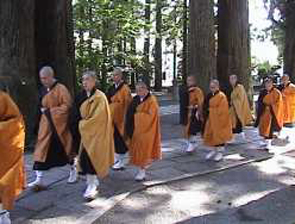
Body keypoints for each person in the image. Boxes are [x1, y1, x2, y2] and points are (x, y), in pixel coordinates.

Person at [28, 66, 73, 190]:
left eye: (44, 78)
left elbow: (67, 106)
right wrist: (36, 124)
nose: (42, 81)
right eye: (41, 78)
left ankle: (73, 170)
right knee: (41, 151)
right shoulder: (43, 90)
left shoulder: (61, 89)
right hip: (45, 127)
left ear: (50, 76)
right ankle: (38, 179)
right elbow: (39, 107)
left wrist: (50, 112)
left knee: (65, 151)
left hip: (59, 128)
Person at [74, 71, 114, 200]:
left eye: (87, 79)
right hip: (84, 133)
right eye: (83, 80)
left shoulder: (100, 97)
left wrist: (83, 124)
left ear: (94, 81)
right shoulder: (80, 96)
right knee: (84, 159)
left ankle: (92, 185)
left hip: (96, 133)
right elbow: (74, 113)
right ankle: (91, 181)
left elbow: (99, 118)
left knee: (91, 158)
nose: (84, 82)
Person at [124, 81, 161, 181]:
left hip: (147, 130)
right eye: (137, 90)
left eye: (140, 89)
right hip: (135, 130)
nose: (138, 91)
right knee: (137, 150)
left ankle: (142, 171)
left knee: (144, 150)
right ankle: (141, 168)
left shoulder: (151, 100)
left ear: (146, 89)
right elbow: (130, 112)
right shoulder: (135, 99)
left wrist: (137, 115)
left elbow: (151, 116)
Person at [0, 90, 25, 224]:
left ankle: (3, 213)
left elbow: (16, 122)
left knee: (4, 180)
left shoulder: (2, 98)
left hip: (3, 149)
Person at [107, 68, 132, 170]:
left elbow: (128, 104)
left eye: (116, 75)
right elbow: (107, 101)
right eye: (113, 75)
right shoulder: (111, 88)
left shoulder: (125, 89)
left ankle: (121, 161)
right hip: (112, 119)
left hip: (122, 118)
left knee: (121, 140)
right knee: (114, 139)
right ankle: (117, 159)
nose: (114, 77)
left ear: (121, 76)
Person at [202, 80, 233, 162]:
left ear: (218, 87)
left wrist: (212, 110)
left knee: (219, 135)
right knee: (211, 134)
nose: (212, 89)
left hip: (219, 119)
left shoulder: (221, 96)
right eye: (211, 87)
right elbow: (205, 105)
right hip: (211, 119)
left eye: (213, 87)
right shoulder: (209, 95)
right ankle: (213, 150)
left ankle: (220, 152)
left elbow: (223, 109)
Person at [255, 78, 284, 150]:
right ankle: (265, 141)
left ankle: (269, 143)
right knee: (263, 127)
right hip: (264, 111)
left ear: (272, 84)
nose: (268, 85)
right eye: (266, 84)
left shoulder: (276, 92)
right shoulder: (263, 92)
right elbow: (259, 101)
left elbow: (279, 103)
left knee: (269, 128)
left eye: (269, 84)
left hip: (272, 112)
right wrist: (262, 106)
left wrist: (271, 106)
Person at [228, 75, 252, 144]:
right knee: (233, 123)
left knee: (237, 123)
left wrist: (233, 102)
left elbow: (241, 99)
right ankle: (235, 138)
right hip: (233, 109)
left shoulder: (240, 87)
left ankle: (239, 138)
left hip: (238, 109)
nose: (231, 81)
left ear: (236, 79)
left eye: (232, 79)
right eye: (230, 79)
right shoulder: (234, 88)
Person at [182, 76, 204, 153]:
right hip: (188, 113)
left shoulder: (198, 90)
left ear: (194, 81)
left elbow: (200, 102)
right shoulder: (187, 90)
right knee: (188, 129)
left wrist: (195, 107)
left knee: (192, 129)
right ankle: (192, 144)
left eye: (190, 80)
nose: (188, 82)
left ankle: (192, 144)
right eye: (188, 80)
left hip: (195, 113)